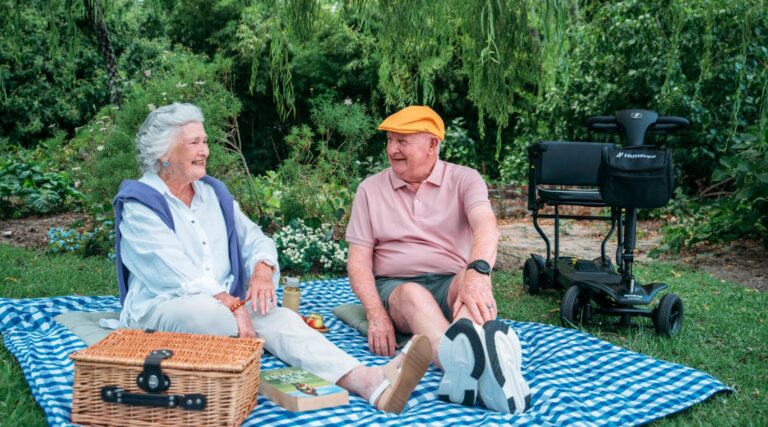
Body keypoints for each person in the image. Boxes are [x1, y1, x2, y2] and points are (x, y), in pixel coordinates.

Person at [113, 103, 431, 414]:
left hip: (227, 307)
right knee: (210, 315)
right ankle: (239, 334)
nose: (205, 150)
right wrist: (232, 303)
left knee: (279, 317)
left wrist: (263, 270)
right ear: (163, 153)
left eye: (206, 141)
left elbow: (253, 238)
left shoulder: (212, 193)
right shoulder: (140, 203)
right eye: (195, 142)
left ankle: (369, 381)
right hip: (165, 306)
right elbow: (171, 271)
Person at [345, 106, 531, 413]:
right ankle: (489, 368)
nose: (392, 149)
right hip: (398, 288)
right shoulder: (370, 189)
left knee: (472, 292)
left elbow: (486, 226)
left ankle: (471, 373)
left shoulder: (464, 179)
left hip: (451, 280)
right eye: (390, 140)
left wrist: (478, 274)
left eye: (402, 141)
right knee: (413, 295)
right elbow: (358, 262)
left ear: (433, 145)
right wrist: (376, 314)